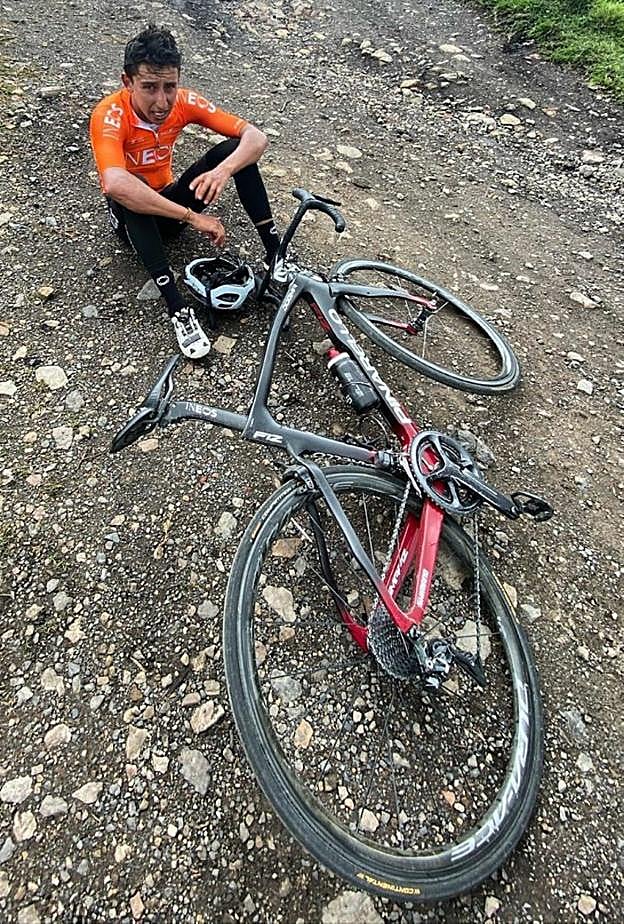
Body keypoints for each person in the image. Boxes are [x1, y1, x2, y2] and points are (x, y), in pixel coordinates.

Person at [89, 24, 280, 359]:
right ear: (127, 82)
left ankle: (277, 255)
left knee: (232, 151)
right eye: (149, 87)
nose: (161, 101)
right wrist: (194, 217)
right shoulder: (109, 114)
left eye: (169, 87)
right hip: (132, 220)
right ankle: (178, 309)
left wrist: (223, 170)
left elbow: (256, 138)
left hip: (169, 199)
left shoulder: (183, 102)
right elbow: (115, 184)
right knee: (133, 187)